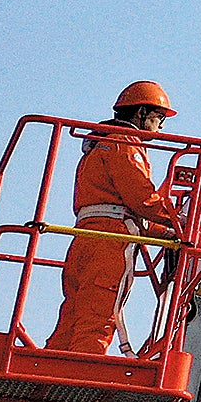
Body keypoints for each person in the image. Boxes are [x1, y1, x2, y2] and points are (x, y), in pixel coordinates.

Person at [48, 81, 180, 355]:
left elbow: (121, 206)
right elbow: (142, 200)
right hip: (111, 241)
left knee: (75, 312)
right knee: (99, 312)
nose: (161, 127)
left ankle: (52, 360)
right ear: (141, 113)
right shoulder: (124, 143)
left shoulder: (100, 143)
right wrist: (181, 222)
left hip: (86, 237)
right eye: (158, 118)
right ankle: (84, 369)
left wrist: (167, 234)